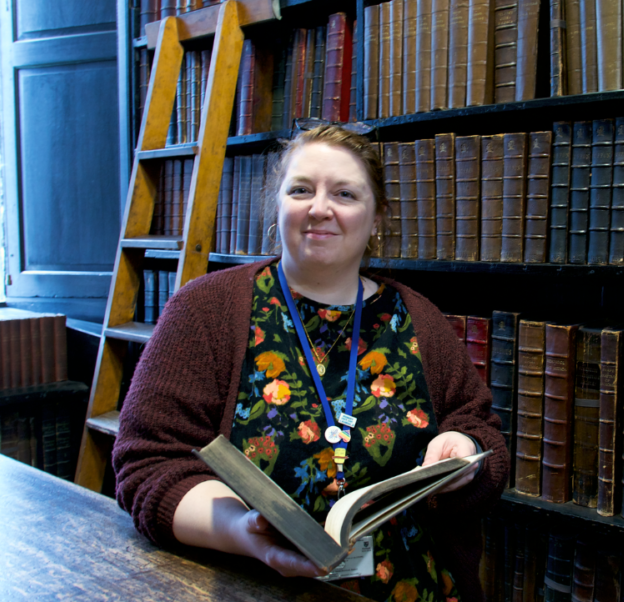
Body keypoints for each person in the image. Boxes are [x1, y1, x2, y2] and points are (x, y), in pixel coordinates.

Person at [113, 125, 508, 602]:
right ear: (277, 205)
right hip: (254, 585)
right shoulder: (204, 311)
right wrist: (244, 532)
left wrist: (463, 450)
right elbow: (147, 464)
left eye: (344, 193)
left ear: (376, 217)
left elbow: (482, 433)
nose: (319, 208)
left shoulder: (419, 317)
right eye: (301, 190)